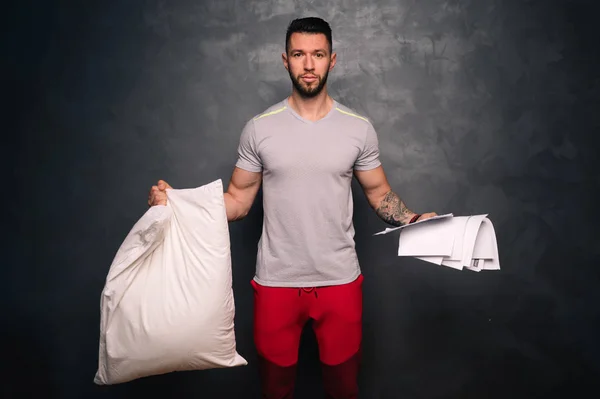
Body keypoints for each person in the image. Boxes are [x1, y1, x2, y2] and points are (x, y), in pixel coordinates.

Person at [148, 17, 437, 399]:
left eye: (317, 55)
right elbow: (237, 200)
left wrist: (414, 219)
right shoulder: (259, 129)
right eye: (299, 55)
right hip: (276, 283)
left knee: (343, 387)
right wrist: (179, 202)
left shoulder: (358, 128)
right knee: (275, 388)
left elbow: (379, 192)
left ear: (332, 60)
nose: (309, 65)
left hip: (339, 280)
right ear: (285, 60)